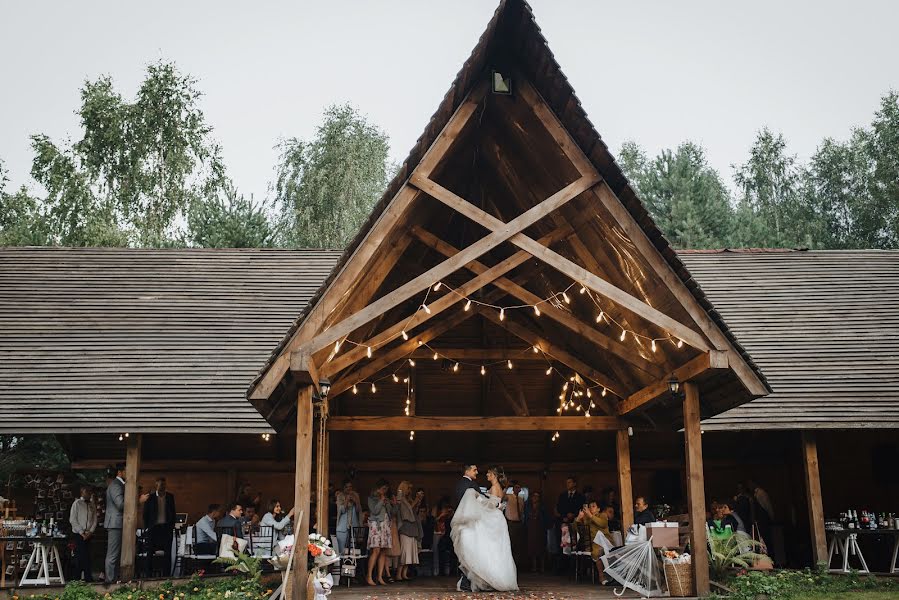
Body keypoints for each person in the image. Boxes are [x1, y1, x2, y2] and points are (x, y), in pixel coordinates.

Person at [451, 465, 518, 592]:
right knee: (495, 550)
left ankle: (485, 577)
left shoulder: (493, 487)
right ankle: (495, 577)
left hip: (492, 520)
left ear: (494, 475)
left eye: (488, 473)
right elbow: (496, 503)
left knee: (486, 549)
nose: (484, 474)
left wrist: (480, 499)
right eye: (475, 470)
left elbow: (490, 505)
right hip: (495, 520)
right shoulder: (493, 487)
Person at [452, 464, 481, 591]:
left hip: (461, 523)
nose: (477, 472)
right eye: (474, 470)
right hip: (470, 523)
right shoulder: (471, 486)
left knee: (464, 552)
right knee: (470, 552)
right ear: (467, 470)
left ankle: (465, 581)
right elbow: (480, 502)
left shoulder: (459, 484)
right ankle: (466, 581)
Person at [142, 477, 176, 576]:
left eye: (164, 485)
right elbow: (145, 514)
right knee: (150, 553)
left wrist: (171, 526)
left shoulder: (170, 497)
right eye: (160, 485)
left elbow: (173, 512)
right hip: (154, 528)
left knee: (167, 552)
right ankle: (148, 575)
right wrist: (147, 527)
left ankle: (167, 575)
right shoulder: (151, 498)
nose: (162, 487)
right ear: (156, 486)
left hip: (166, 527)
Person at [577, 501, 612, 585]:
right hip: (591, 543)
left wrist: (591, 516)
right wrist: (578, 518)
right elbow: (576, 529)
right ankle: (601, 576)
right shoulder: (586, 518)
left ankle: (608, 576)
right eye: (589, 506)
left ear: (598, 509)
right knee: (597, 551)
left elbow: (603, 524)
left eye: (593, 506)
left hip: (604, 542)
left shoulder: (602, 515)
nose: (590, 508)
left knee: (600, 550)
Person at [365, 479, 391, 586]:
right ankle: (369, 576)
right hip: (376, 525)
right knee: (376, 550)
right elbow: (375, 511)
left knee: (383, 551)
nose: (384, 491)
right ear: (377, 489)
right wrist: (381, 500)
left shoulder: (386, 499)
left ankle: (380, 577)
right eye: (383, 489)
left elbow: (391, 512)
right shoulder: (371, 499)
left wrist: (391, 504)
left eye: (386, 489)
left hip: (385, 525)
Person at [70, 486, 97, 581]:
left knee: (88, 556)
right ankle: (77, 578)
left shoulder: (92, 505)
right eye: (86, 492)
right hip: (79, 534)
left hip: (89, 534)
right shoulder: (76, 503)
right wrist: (81, 532)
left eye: (89, 492)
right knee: (80, 556)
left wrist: (90, 531)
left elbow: (94, 519)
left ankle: (87, 576)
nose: (88, 494)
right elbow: (73, 520)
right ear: (82, 492)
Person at [396, 481, 422, 581]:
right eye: (408, 488)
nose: (409, 491)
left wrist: (418, 501)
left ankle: (404, 573)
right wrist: (415, 501)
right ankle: (398, 574)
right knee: (404, 552)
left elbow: (413, 512)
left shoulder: (408, 499)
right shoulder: (400, 499)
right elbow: (405, 513)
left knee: (410, 552)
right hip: (405, 528)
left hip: (412, 528)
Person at [104, 463, 126, 582]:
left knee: (116, 555)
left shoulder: (120, 485)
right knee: (112, 555)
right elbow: (121, 504)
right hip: (115, 523)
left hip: (118, 523)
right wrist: (137, 500)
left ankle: (114, 581)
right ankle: (110, 582)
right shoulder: (116, 485)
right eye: (127, 470)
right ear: (120, 472)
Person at [524, 490, 550, 573]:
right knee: (532, 548)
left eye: (537, 496)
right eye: (534, 496)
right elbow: (526, 517)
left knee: (541, 547)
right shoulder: (528, 506)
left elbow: (546, 518)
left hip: (540, 529)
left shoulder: (543, 507)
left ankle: (542, 567)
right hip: (531, 529)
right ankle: (534, 567)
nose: (535, 498)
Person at [335, 479, 361, 552]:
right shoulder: (340, 496)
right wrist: (346, 501)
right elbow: (341, 511)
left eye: (350, 487)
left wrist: (356, 502)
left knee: (353, 549)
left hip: (353, 525)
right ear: (343, 488)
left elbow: (359, 510)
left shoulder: (355, 495)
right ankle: (340, 563)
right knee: (341, 550)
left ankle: (352, 563)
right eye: (347, 487)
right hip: (342, 526)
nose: (349, 488)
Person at [504, 481, 525, 567]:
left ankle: (517, 565)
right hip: (511, 523)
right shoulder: (508, 497)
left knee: (518, 545)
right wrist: (506, 487)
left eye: (518, 487)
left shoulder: (521, 499)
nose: (517, 489)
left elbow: (522, 511)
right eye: (515, 487)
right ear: (513, 489)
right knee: (511, 544)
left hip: (519, 523)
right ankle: (509, 565)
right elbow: (501, 497)